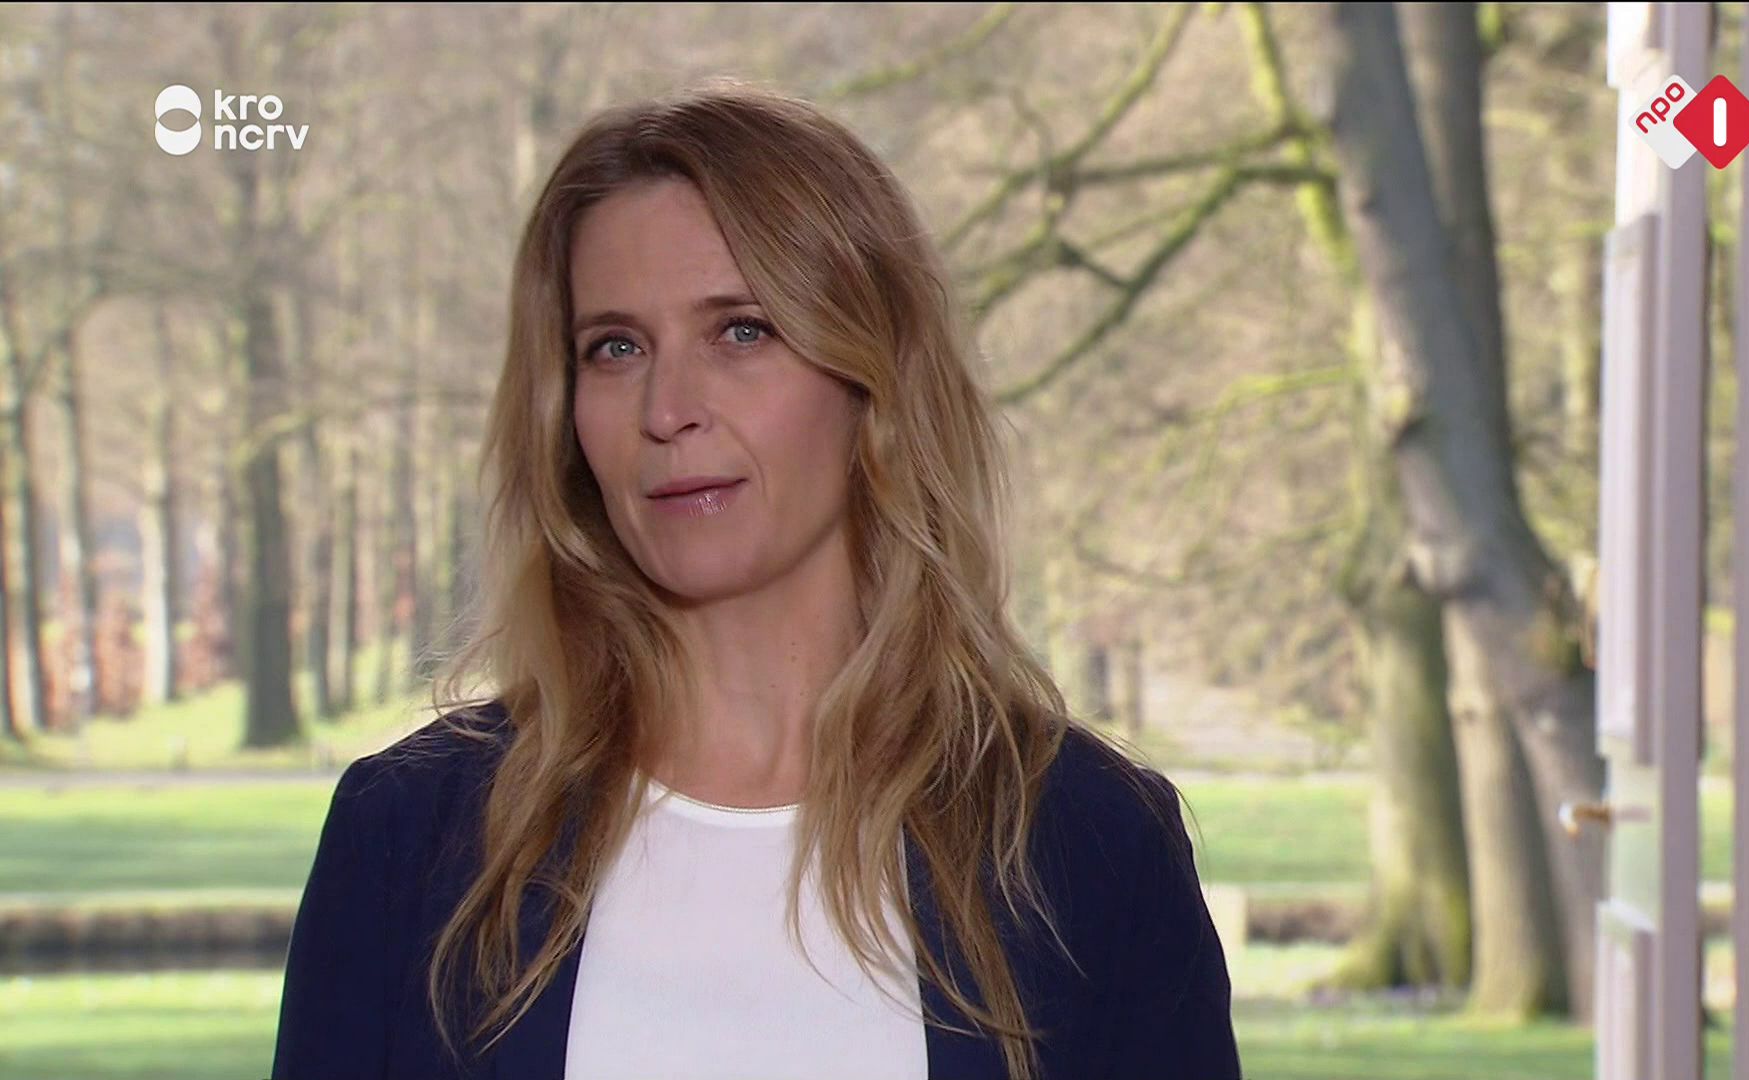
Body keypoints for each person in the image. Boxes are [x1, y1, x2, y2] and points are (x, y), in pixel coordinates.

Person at [270, 79, 1239, 1080]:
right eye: (615, 348)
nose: (667, 409)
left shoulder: (1089, 846)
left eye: (741, 330)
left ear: (873, 381)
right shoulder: (411, 839)